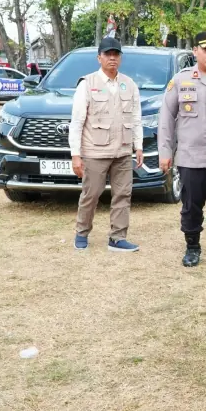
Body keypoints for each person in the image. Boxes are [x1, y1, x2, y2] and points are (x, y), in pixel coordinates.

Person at [159, 31, 206, 271]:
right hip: (191, 157)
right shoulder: (181, 80)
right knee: (191, 206)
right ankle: (192, 247)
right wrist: (165, 152)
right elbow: (166, 118)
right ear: (195, 51)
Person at [69, 37, 143, 252]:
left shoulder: (129, 84)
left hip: (123, 150)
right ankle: (82, 232)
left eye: (116, 54)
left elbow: (136, 118)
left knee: (123, 194)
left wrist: (138, 146)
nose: (112, 58)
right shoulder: (87, 84)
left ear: (120, 57)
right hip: (95, 151)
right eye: (108, 54)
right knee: (91, 194)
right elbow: (77, 122)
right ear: (99, 57)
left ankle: (118, 237)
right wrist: (76, 155)